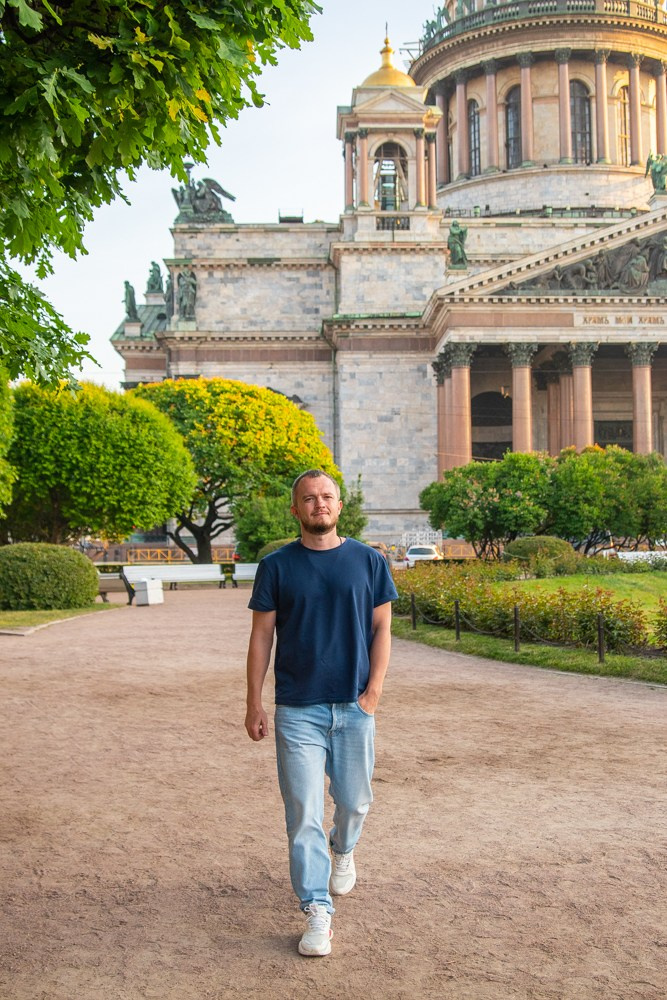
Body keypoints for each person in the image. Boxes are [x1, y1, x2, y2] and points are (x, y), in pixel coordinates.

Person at [244, 469, 398, 957]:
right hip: (297, 711)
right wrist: (254, 700)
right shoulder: (276, 566)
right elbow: (261, 637)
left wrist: (372, 693)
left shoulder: (369, 562)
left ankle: (345, 849)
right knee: (304, 813)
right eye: (308, 499)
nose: (318, 505)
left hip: (354, 707)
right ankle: (317, 910)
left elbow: (382, 631)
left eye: (326, 496)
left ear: (340, 505)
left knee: (354, 802)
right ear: (295, 510)